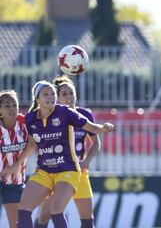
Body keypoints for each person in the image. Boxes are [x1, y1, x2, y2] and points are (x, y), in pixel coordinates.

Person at [2, 80, 114, 228]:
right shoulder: (30, 118)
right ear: (37, 99)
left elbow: (91, 128)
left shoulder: (65, 112)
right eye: (45, 94)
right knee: (23, 210)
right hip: (44, 171)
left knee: (56, 210)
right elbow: (31, 144)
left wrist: (104, 127)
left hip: (67, 170)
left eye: (53, 94)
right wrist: (16, 165)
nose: (50, 97)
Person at [34, 76, 101, 228]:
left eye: (71, 92)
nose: (69, 97)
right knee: (44, 217)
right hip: (56, 172)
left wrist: (86, 162)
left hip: (79, 172)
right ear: (57, 98)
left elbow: (96, 143)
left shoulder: (85, 114)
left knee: (87, 219)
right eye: (64, 94)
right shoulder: (50, 117)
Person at [0, 90, 29, 228]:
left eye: (14, 105)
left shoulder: (24, 124)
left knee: (17, 225)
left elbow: (33, 144)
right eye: (6, 106)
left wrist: (16, 165)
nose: (11, 108)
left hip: (15, 182)